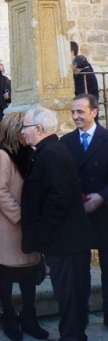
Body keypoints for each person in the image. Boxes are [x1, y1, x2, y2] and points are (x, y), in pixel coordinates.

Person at [21, 106, 95, 341]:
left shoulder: (50, 153)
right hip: (66, 239)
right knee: (69, 293)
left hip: (66, 241)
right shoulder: (49, 149)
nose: (23, 132)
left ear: (39, 129)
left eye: (25, 127)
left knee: (71, 293)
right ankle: (68, 338)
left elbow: (59, 198)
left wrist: (43, 232)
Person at [0, 112, 49, 341]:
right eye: (22, 128)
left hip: (25, 225)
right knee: (5, 274)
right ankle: (9, 316)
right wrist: (22, 215)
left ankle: (29, 316)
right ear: (13, 130)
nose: (25, 131)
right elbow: (0, 191)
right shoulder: (1, 155)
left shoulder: (27, 153)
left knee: (29, 272)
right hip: (7, 225)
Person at [61, 94, 108, 327]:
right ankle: (81, 316)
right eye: (73, 112)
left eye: (80, 111)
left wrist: (102, 196)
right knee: (80, 270)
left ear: (94, 112)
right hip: (77, 215)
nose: (75, 116)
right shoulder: (66, 141)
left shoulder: (107, 138)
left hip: (104, 213)